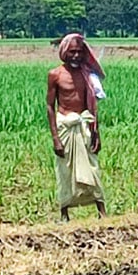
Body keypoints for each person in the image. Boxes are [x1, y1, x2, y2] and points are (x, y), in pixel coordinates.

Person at [47, 33, 107, 221]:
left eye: (79, 52)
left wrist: (96, 132)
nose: (76, 56)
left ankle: (101, 211)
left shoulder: (87, 75)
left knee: (92, 167)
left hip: (84, 125)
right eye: (72, 52)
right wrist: (55, 138)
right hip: (65, 126)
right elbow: (50, 106)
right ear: (65, 52)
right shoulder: (55, 74)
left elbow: (92, 106)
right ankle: (64, 213)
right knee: (65, 171)